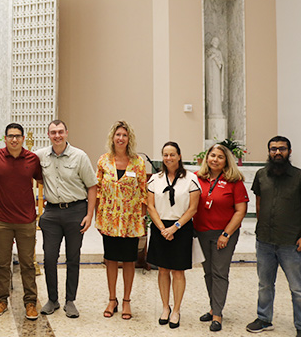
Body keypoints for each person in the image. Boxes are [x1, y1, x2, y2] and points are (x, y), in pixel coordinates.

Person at [35, 119, 98, 318]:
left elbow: (92, 186)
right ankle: (52, 299)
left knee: (73, 257)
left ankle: (70, 300)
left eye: (60, 132)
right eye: (53, 132)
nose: (57, 136)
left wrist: (89, 215)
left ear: (67, 133)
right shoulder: (41, 156)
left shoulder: (80, 156)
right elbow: (27, 170)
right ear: (48, 135)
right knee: (49, 257)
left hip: (75, 211)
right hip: (52, 213)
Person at [245, 136, 301, 336]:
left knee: (297, 289)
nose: (278, 152)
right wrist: (261, 228)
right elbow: (259, 204)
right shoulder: (261, 175)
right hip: (265, 241)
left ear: (289, 151)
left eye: (282, 149)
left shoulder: (299, 177)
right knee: (265, 284)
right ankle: (264, 319)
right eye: (273, 149)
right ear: (268, 152)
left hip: (291, 242)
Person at [0, 122, 43, 320]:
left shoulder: (32, 159)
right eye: (10, 136)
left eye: (18, 136)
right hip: (1, 220)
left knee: (28, 264)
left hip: (25, 220)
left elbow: (41, 180)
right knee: (2, 263)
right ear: (4, 138)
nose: (14, 139)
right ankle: (2, 300)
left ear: (22, 138)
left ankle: (30, 302)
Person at [95, 121, 147, 320]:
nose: (120, 138)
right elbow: (98, 190)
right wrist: (98, 218)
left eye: (124, 135)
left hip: (130, 222)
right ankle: (111, 299)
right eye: (118, 134)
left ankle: (126, 301)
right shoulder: (103, 161)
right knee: (110, 260)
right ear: (112, 138)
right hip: (109, 221)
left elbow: (144, 192)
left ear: (129, 139)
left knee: (129, 261)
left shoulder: (138, 162)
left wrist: (140, 218)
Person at [194, 144, 248, 332]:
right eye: (212, 155)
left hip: (224, 234)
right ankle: (213, 306)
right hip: (201, 233)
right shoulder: (197, 178)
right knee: (208, 272)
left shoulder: (235, 181)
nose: (215, 159)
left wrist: (226, 233)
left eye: (220, 157)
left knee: (219, 273)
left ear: (227, 161)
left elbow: (241, 211)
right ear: (206, 157)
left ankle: (217, 314)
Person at [146, 141, 200, 329]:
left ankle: (176, 309)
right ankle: (165, 307)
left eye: (172, 154)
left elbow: (193, 209)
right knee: (162, 269)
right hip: (160, 227)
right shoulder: (155, 178)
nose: (168, 158)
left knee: (178, 271)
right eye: (165, 155)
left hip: (181, 228)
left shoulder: (191, 179)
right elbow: (150, 206)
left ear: (179, 156)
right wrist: (162, 228)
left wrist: (174, 227)